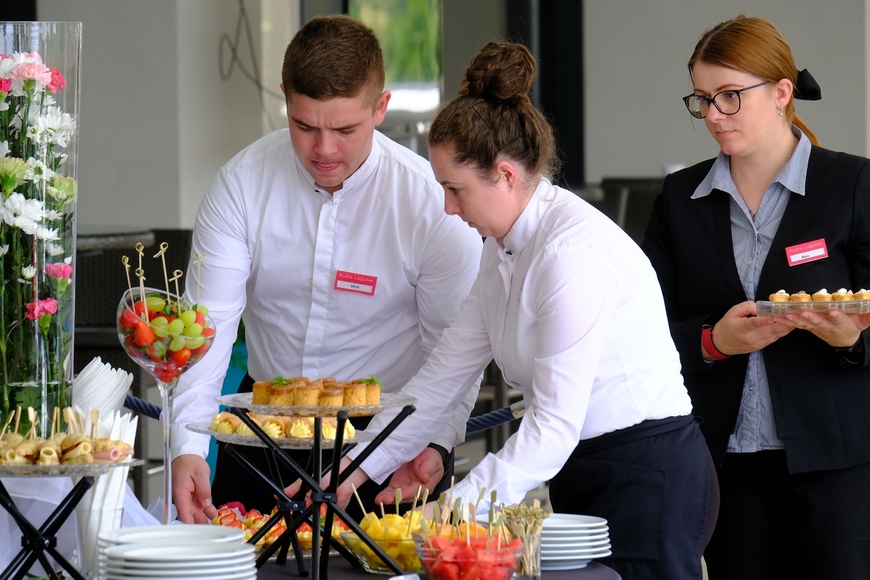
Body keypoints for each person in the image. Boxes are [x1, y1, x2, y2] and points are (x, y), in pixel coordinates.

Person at [317, 41, 713, 580]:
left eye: (455, 189)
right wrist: (348, 471)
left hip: (647, 471)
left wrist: (451, 509)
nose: (447, 207)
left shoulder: (568, 256)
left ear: (504, 175)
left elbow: (551, 423)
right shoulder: (501, 245)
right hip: (581, 466)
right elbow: (443, 376)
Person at [169, 15, 483, 525]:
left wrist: (437, 444)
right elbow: (206, 330)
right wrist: (185, 444)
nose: (324, 150)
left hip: (388, 442)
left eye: (345, 129)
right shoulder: (240, 185)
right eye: (304, 125)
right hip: (262, 435)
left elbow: (453, 350)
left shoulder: (430, 203)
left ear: (380, 108)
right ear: (284, 99)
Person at [641, 15, 870, 579]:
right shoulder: (680, 199)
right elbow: (643, 328)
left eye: (730, 97)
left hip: (836, 464)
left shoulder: (852, 186)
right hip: (726, 462)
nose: (713, 116)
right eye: (702, 100)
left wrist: (851, 341)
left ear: (781, 93)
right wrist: (713, 340)